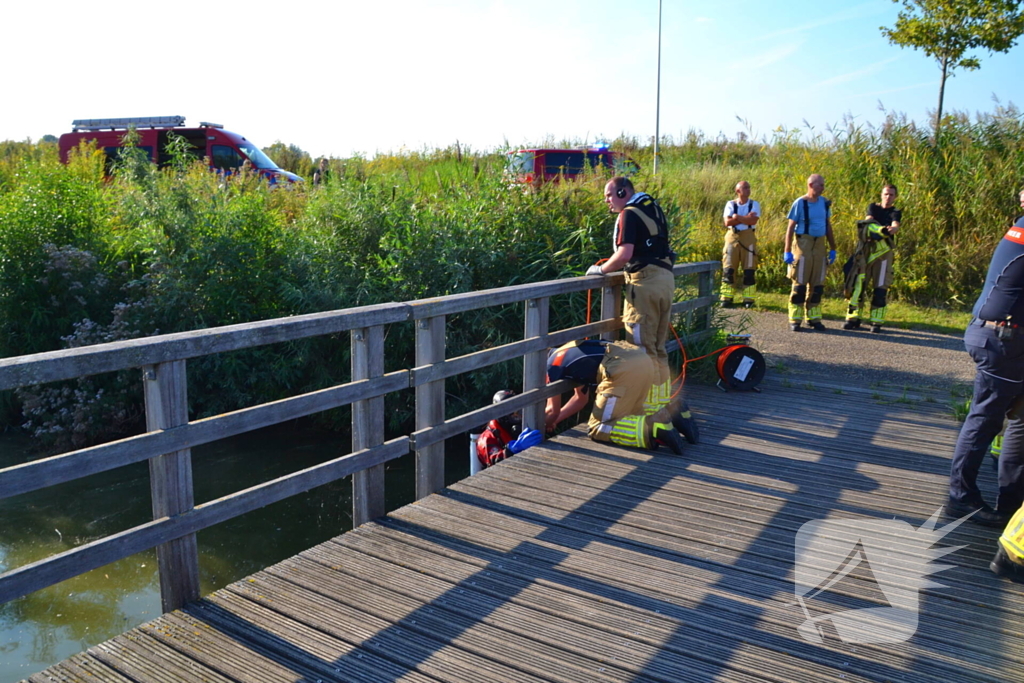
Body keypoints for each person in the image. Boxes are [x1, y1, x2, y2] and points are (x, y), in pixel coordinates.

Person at [947, 190, 1024, 527]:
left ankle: (1010, 504)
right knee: (987, 419)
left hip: (996, 334)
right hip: (1002, 340)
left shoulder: (1019, 227)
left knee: (1016, 419)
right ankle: (961, 497)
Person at [587, 176, 676, 414]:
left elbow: (625, 254)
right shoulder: (652, 209)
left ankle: (646, 408)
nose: (606, 200)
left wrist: (600, 270)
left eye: (608, 195)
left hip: (644, 285)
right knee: (658, 348)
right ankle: (659, 403)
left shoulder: (629, 213)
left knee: (641, 350)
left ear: (623, 192)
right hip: (665, 280)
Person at [544, 339, 692, 454]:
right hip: (641, 359)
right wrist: (554, 421)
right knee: (630, 412)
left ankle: (653, 428)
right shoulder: (566, 353)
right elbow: (580, 399)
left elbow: (552, 410)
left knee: (598, 427)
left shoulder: (552, 365)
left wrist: (543, 426)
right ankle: (672, 413)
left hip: (620, 367)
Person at [843, 184, 902, 333]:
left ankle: (876, 321)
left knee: (880, 286)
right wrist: (881, 229)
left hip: (883, 253)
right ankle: (853, 317)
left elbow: (895, 225)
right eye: (886, 194)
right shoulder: (873, 208)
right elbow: (868, 223)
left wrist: (893, 229)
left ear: (895, 197)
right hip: (867, 250)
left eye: (891, 195)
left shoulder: (895, 212)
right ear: (881, 194)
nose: (888, 197)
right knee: (858, 284)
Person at [784, 174, 837, 332]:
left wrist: (833, 248)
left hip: (819, 244)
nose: (823, 187)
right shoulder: (800, 203)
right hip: (803, 244)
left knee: (818, 284)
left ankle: (814, 318)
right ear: (811, 185)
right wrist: (787, 251)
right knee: (799, 283)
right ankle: (795, 319)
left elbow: (828, 225)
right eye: (820, 185)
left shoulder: (824, 203)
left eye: (823, 185)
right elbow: (790, 227)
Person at [476, 390, 543, 469]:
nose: (517, 415)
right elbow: (494, 461)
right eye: (511, 411)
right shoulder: (487, 438)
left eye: (517, 410)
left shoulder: (520, 426)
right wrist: (512, 450)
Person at [720, 181, 760, 308]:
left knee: (749, 269)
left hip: (748, 236)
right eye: (745, 188)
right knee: (729, 268)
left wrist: (736, 217)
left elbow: (753, 220)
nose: (748, 190)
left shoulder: (755, 204)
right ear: (738, 191)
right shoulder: (730, 204)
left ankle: (748, 299)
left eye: (749, 187)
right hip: (732, 237)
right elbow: (727, 222)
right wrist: (745, 218)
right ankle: (726, 297)